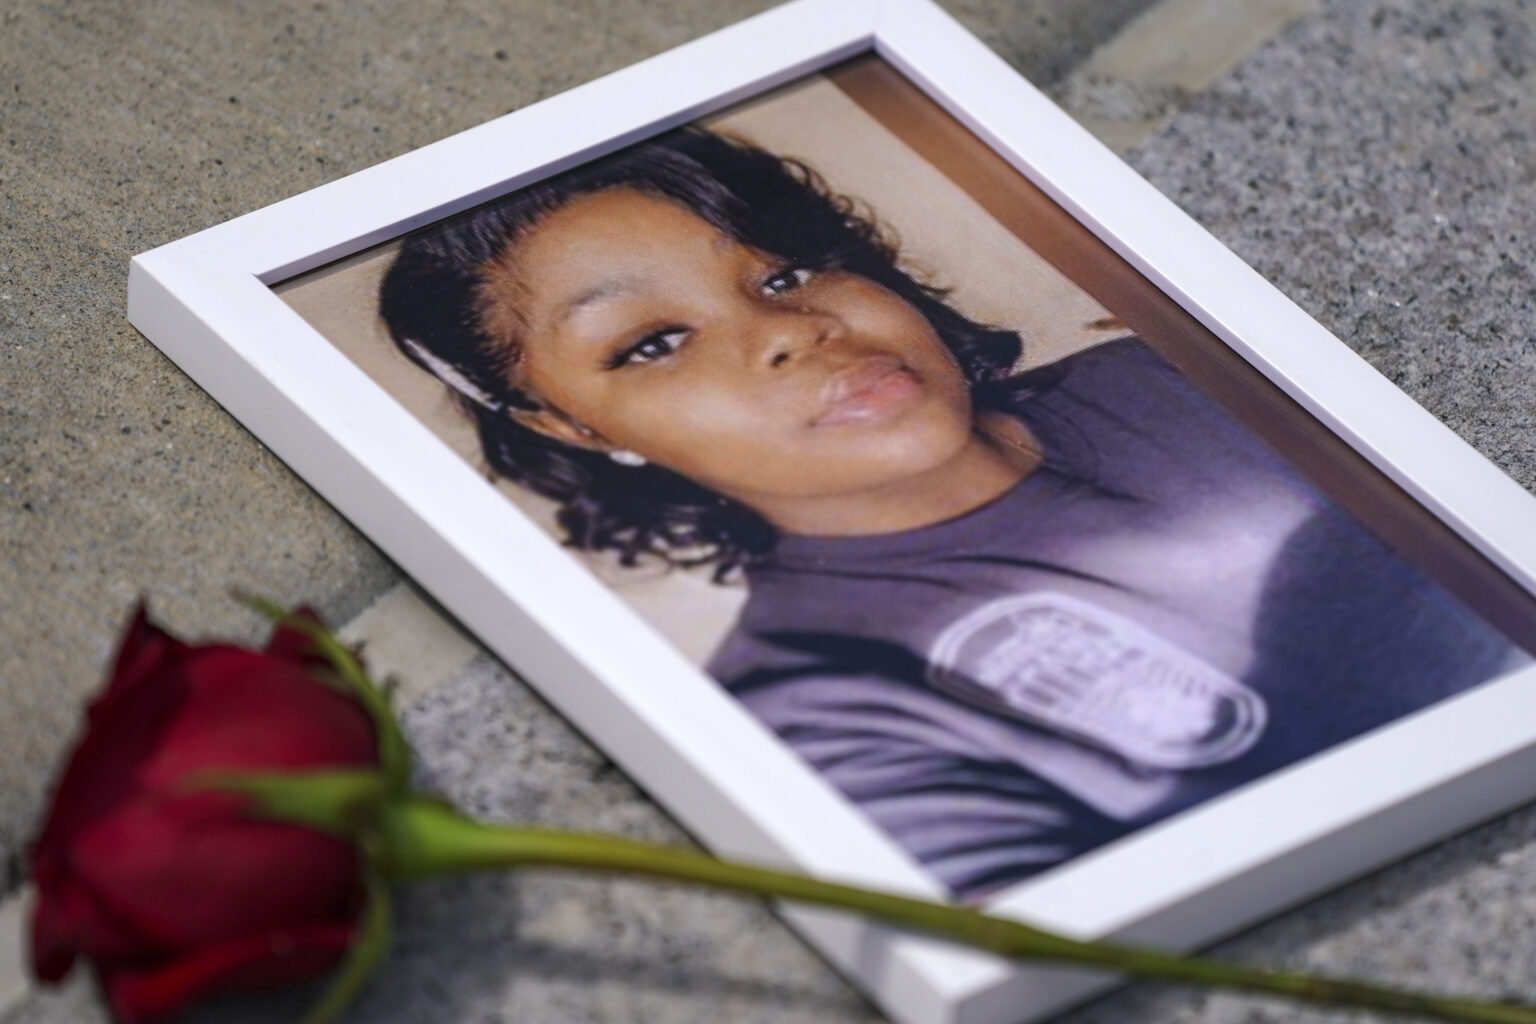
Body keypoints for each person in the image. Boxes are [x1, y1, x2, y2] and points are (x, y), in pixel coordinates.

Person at [379, 127, 1528, 901]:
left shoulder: (1180, 371)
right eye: (653, 342)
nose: (789, 330)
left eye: (781, 274)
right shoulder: (816, 715)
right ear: (575, 429)